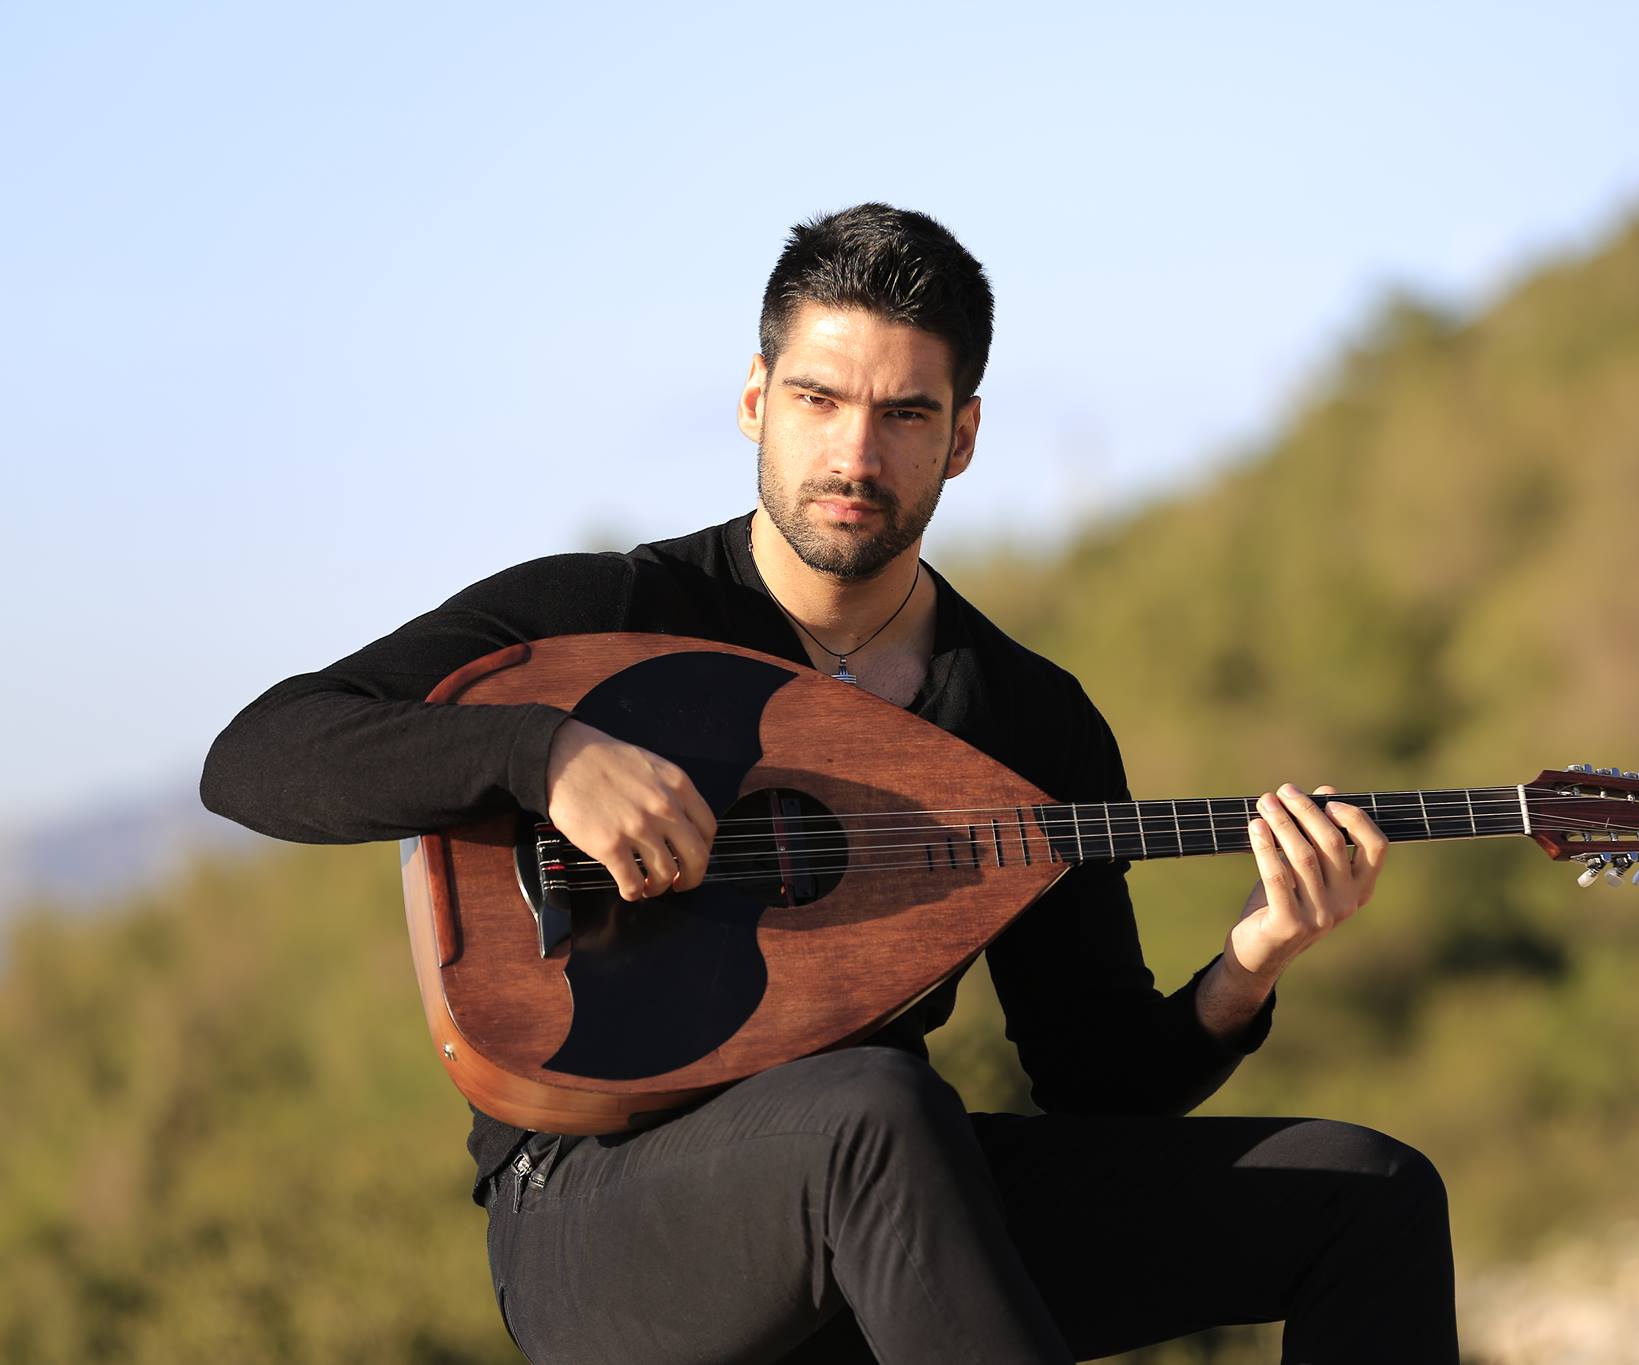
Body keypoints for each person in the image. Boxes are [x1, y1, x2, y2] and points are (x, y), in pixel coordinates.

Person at [201, 203, 1458, 1363]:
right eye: (818, 398)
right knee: (880, 1105)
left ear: (961, 438)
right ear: (756, 400)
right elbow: (258, 754)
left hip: (895, 1198)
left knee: (1370, 1194)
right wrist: (544, 753)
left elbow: (1092, 1085)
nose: (855, 452)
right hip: (597, 1207)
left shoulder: (1023, 717)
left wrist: (1250, 964)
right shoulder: (613, 614)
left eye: (904, 414)